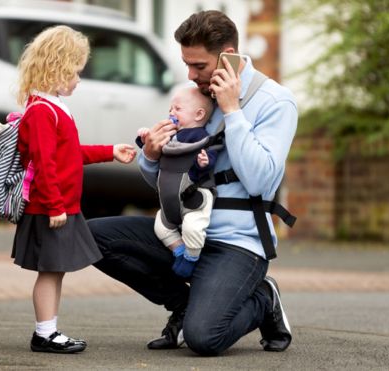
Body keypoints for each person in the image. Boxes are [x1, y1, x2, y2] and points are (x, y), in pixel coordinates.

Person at [88, 10, 297, 356]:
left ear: (228, 54)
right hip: (181, 231)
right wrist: (152, 156)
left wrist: (232, 112)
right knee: (92, 237)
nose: (190, 75)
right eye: (187, 64)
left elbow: (261, 180)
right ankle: (185, 305)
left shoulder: (275, 102)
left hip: (237, 242)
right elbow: (166, 179)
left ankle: (263, 299)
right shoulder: (195, 96)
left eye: (199, 66)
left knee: (204, 338)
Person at [11, 25, 136, 354]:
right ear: (58, 67)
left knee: (56, 271)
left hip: (59, 205)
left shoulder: (53, 106)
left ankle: (48, 330)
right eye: (76, 72)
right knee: (50, 271)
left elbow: (69, 154)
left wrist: (110, 151)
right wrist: (55, 206)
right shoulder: (41, 111)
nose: (79, 80)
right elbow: (43, 162)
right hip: (49, 208)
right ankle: (45, 333)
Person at [137, 86, 216, 278]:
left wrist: (204, 161)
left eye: (178, 109)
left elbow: (209, 156)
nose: (172, 113)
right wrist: (146, 138)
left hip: (194, 200)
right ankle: (179, 250)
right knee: (161, 227)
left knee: (193, 228)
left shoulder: (199, 136)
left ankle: (191, 258)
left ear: (198, 114)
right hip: (170, 204)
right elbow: (153, 146)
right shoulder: (173, 134)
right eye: (170, 109)